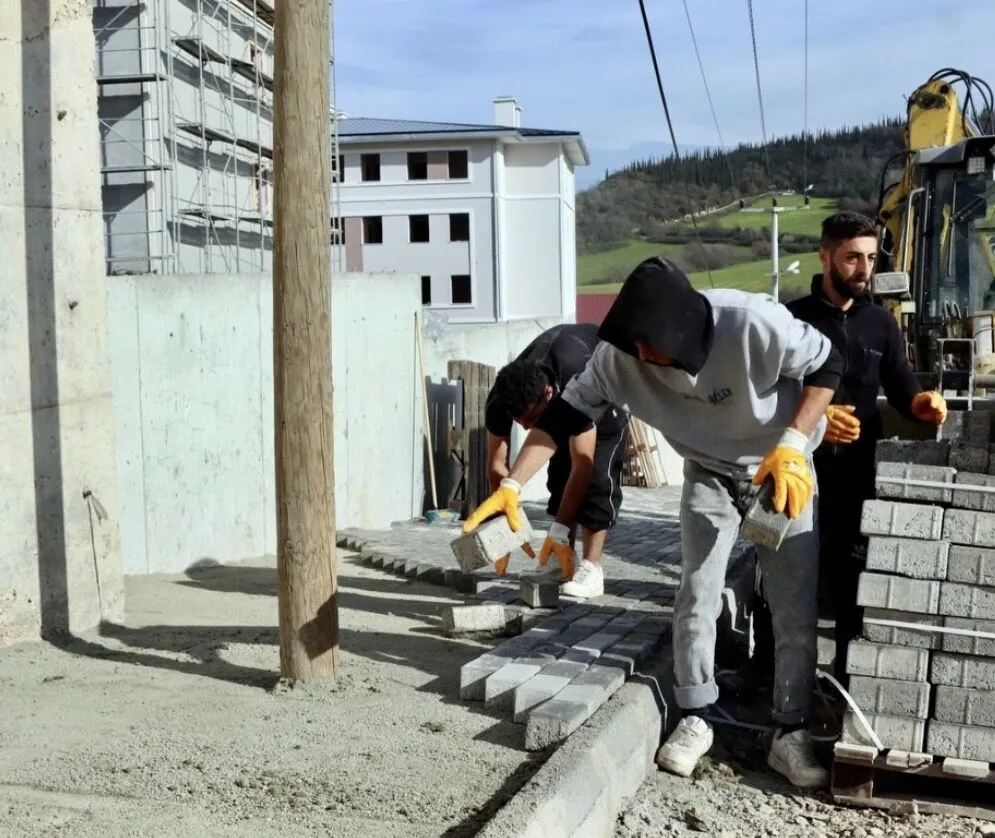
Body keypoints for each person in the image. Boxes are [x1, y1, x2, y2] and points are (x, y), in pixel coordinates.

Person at [464, 256, 844, 788]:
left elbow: (829, 365)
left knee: (793, 603)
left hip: (780, 470)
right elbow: (564, 419)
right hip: (709, 471)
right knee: (696, 593)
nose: (642, 356)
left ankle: (790, 730)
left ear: (683, 328)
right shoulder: (617, 359)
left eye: (651, 346)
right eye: (635, 345)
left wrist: (793, 441)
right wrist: (511, 485)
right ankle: (696, 716)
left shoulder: (752, 321)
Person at [742, 212, 948, 691]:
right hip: (793, 472)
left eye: (871, 259)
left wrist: (922, 402)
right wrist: (815, 420)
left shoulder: (880, 324)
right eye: (853, 257)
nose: (863, 268)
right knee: (779, 575)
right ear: (825, 255)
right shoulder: (790, 318)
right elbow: (764, 393)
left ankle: (843, 681)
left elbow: (900, 386)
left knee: (852, 578)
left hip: (857, 476)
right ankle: (766, 672)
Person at [484, 323, 630, 598]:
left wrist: (559, 530)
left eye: (532, 419)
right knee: (558, 477)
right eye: (518, 422)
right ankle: (560, 561)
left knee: (599, 478)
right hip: (563, 386)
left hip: (607, 398)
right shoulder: (500, 399)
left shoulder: (577, 375)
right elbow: (496, 465)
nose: (526, 428)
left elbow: (582, 464)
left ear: (548, 395)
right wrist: (505, 525)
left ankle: (591, 567)